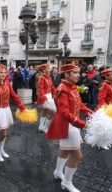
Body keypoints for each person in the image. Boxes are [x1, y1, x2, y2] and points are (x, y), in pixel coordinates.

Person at [46, 63, 92, 192]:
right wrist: (82, 124)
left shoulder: (73, 88)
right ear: (66, 74)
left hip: (73, 124)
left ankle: (58, 171)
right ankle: (66, 182)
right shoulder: (63, 89)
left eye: (78, 73)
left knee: (65, 151)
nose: (79, 75)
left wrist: (93, 114)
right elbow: (64, 112)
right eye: (75, 73)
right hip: (67, 125)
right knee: (77, 156)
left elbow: (80, 105)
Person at [0, 64, 26, 162]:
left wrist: (22, 107)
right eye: (0, 73)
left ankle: (1, 149)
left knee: (5, 133)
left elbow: (14, 96)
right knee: (3, 133)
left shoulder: (7, 84)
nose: (3, 74)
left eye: (4, 72)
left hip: (6, 110)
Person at [36, 64, 56, 133]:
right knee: (52, 112)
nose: (50, 69)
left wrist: (56, 93)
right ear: (44, 70)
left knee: (45, 111)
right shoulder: (42, 78)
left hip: (49, 96)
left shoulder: (49, 77)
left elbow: (52, 87)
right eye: (48, 68)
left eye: (49, 68)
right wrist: (44, 97)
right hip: (44, 96)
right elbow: (40, 89)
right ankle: (45, 127)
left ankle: (41, 127)